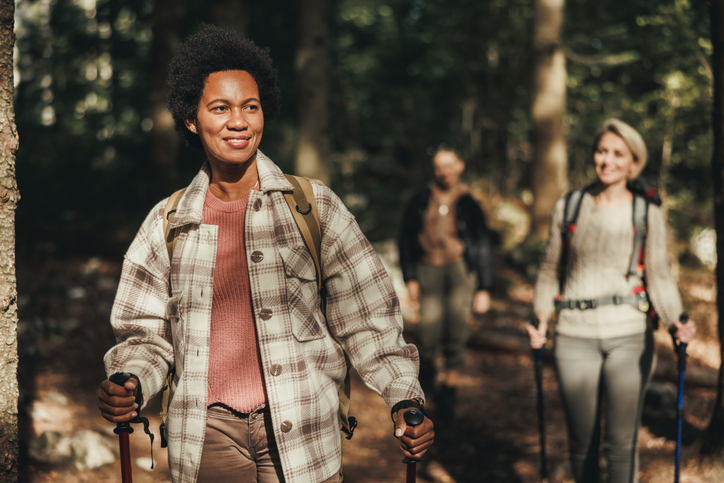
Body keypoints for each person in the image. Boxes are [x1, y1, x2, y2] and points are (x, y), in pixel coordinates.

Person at [98, 25, 433, 483]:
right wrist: (131, 379)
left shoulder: (314, 207)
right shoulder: (167, 222)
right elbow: (144, 335)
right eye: (220, 108)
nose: (239, 121)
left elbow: (369, 318)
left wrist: (404, 399)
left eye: (250, 107)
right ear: (191, 120)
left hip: (304, 430)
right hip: (206, 435)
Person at [526, 118, 696, 483]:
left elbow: (659, 278)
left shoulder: (646, 212)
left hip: (630, 336)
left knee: (621, 444)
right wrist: (540, 316)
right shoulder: (569, 206)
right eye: (602, 151)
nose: (607, 161)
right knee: (581, 443)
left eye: (618, 154)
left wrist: (675, 321)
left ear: (633, 163)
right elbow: (549, 271)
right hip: (573, 335)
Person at [398, 147, 494, 418]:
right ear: (434, 169)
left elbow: (483, 243)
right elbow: (405, 239)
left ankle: (449, 389)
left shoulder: (468, 202)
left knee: (456, 332)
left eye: (449, 165)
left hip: (460, 271)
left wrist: (485, 287)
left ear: (460, 165)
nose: (445, 172)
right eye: (440, 167)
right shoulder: (421, 198)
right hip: (428, 269)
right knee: (427, 333)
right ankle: (427, 380)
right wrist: (411, 278)